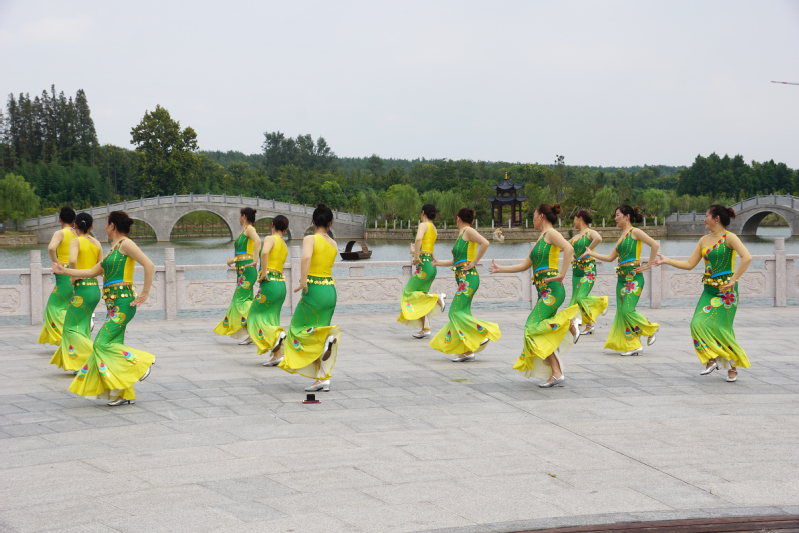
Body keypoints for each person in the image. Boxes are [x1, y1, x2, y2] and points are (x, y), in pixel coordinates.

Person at [52, 211, 155, 406]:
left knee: (100, 343)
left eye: (107, 224)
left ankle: (142, 363)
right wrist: (64, 270)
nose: (105, 228)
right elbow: (92, 271)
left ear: (112, 226)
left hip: (123, 303)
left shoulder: (126, 244)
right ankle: (124, 393)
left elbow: (148, 265)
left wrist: (145, 292)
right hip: (113, 304)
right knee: (113, 344)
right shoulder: (113, 249)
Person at [653, 205, 751, 381]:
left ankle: (733, 367)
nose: (704, 219)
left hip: (726, 292)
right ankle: (710, 359)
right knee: (696, 324)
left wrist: (734, 279)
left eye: (706, 215)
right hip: (709, 290)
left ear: (716, 218)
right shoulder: (703, 240)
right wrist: (667, 260)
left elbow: (747, 257)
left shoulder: (730, 237)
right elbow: (690, 264)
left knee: (722, 329)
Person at [490, 203, 579, 387]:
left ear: (541, 216)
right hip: (543, 291)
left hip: (552, 290)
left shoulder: (552, 233)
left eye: (534, 215)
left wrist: (562, 273)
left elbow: (569, 249)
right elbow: (524, 265)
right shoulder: (541, 239)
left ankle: (568, 323)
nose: (532, 219)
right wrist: (500, 269)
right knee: (538, 331)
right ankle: (557, 373)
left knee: (530, 327)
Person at [279, 204, 341, 391]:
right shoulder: (333, 243)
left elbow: (306, 258)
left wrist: (303, 281)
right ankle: (323, 378)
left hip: (314, 290)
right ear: (330, 223)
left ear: (312, 221)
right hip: (329, 291)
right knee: (318, 331)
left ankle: (324, 353)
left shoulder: (310, 239)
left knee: (297, 329)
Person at [582, 205, 659, 356]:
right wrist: (591, 253)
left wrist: (648, 265)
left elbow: (654, 245)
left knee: (627, 311)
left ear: (627, 216)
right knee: (622, 314)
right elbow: (610, 258)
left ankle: (650, 329)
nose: (615, 218)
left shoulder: (635, 232)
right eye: (615, 215)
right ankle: (633, 345)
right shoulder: (622, 237)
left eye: (618, 215)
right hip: (621, 280)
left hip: (633, 279)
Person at [429, 208, 500, 362]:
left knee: (454, 312)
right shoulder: (461, 235)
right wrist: (438, 263)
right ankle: (468, 351)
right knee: (464, 313)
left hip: (469, 279)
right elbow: (456, 262)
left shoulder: (468, 231)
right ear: (472, 220)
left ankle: (482, 333)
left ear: (458, 219)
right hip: (463, 279)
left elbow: (485, 243)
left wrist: (474, 262)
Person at [50, 213, 103, 374]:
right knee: (83, 327)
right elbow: (101, 266)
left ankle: (97, 357)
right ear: (91, 227)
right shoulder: (97, 243)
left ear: (75, 226)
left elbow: (72, 260)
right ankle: (82, 363)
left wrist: (73, 275)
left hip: (82, 290)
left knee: (70, 327)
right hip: (94, 289)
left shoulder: (76, 241)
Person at [397, 204, 446, 338]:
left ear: (423, 212)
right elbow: (426, 248)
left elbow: (419, 239)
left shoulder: (423, 225)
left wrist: (416, 256)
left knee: (408, 293)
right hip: (430, 266)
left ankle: (437, 297)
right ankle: (426, 328)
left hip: (423, 267)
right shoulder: (434, 228)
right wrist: (414, 252)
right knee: (422, 297)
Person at [213, 207, 261, 343]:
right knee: (243, 300)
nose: (239, 218)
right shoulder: (243, 232)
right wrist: (231, 261)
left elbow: (258, 242)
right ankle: (252, 333)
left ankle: (258, 324)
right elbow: (242, 254)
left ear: (244, 216)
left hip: (247, 270)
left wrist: (255, 260)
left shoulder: (249, 229)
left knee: (240, 301)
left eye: (240, 216)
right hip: (242, 271)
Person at [246, 215, 290, 366]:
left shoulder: (271, 238)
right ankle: (277, 355)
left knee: (253, 315)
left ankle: (278, 334)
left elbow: (264, 253)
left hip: (269, 283)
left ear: (272, 225)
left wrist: (264, 273)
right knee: (272, 318)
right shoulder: (284, 244)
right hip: (281, 285)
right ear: (286, 230)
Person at [39, 207, 77, 345]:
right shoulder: (76, 233)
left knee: (53, 307)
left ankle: (67, 338)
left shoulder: (60, 233)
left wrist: (56, 263)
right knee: (66, 305)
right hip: (76, 271)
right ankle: (69, 336)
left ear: (59, 219)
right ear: (74, 220)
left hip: (64, 273)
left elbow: (51, 248)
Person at [568, 210, 609, 335]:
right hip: (576, 272)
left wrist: (588, 250)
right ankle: (589, 325)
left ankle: (601, 301)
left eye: (574, 219)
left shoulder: (590, 233)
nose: (573, 222)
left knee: (580, 297)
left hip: (588, 270)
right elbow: (562, 248)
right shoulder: (575, 238)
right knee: (574, 302)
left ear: (579, 218)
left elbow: (599, 238)